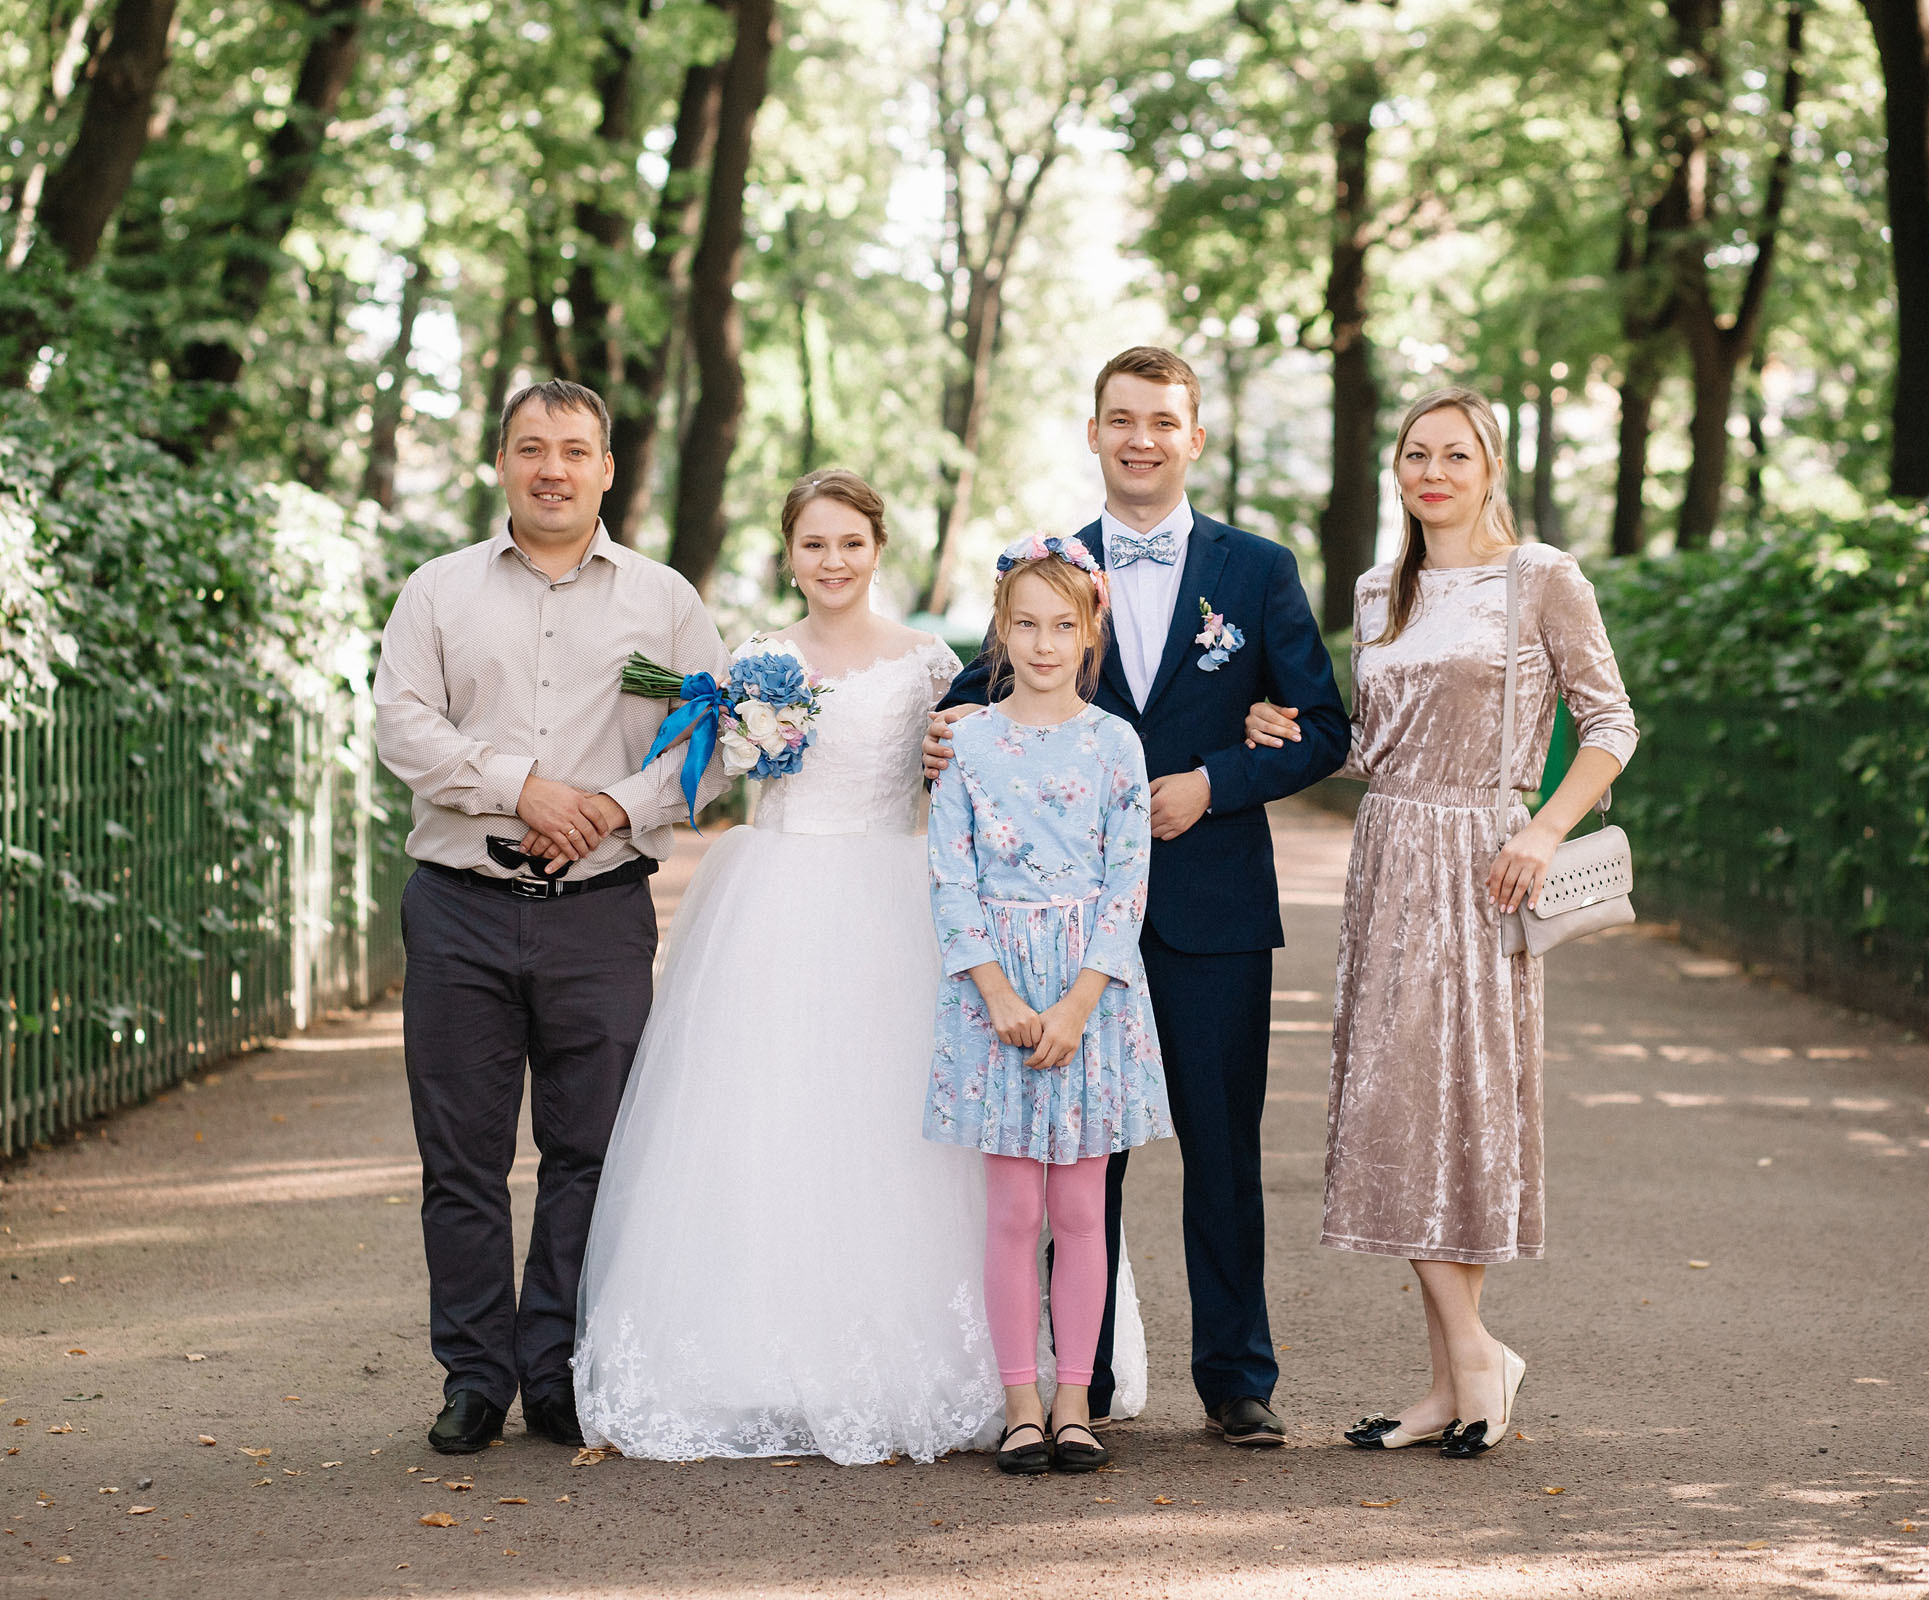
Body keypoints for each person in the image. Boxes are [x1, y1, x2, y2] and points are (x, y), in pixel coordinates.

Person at [574, 471, 1146, 1465]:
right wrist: (722, 756)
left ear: (878, 548)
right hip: (775, 896)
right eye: (813, 544)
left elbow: (978, 753)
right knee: (769, 1121)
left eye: (849, 543)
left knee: (907, 1133)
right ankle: (758, 1355)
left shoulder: (930, 664)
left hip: (894, 896)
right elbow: (703, 768)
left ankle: (987, 1372)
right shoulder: (754, 659)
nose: (832, 562)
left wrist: (959, 743)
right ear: (789, 553)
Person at [924, 346, 1350, 1448]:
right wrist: (943, 729)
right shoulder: (1052, 571)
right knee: (1074, 1160)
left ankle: (1236, 1375)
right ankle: (1086, 1381)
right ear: (1096, 431)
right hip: (1063, 933)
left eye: (1163, 420)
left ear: (1194, 437)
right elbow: (993, 686)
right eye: (1122, 419)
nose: (1142, 438)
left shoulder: (1257, 569)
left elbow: (1325, 725)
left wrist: (1219, 781)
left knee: (1222, 1150)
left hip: (1207, 906)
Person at [1249, 386, 1638, 1458]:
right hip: (1389, 857)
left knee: (1455, 1110)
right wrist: (1281, 726)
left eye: (1454, 455)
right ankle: (1454, 1378)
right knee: (1396, 1109)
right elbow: (1373, 747)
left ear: (1490, 466)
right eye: (1415, 454)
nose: (1431, 471)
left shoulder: (1540, 577)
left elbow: (1611, 721)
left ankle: (1474, 1360)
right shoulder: (1381, 589)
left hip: (1484, 863)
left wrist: (1543, 830)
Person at [373, 380, 730, 1455]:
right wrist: (523, 786)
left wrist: (614, 807)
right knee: (463, 1159)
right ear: (501, 462)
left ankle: (560, 1368)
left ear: (608, 468)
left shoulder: (666, 602)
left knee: (592, 1153)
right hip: (458, 914)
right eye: (532, 448)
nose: (553, 469)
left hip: (600, 916)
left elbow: (708, 743)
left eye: (575, 450)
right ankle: (475, 1377)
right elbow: (403, 727)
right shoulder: (435, 593)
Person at [924, 537, 1177, 1475]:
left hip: (1090, 998)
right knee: (1010, 1210)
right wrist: (996, 992)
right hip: (994, 996)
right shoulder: (968, 739)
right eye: (1024, 625)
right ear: (1000, 630)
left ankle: (1077, 1399)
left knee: (1082, 1211)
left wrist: (1075, 1003)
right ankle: (1019, 1399)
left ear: (1089, 634)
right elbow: (950, 876)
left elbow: (1128, 884)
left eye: (1061, 626)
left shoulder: (1115, 743)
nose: (1041, 643)